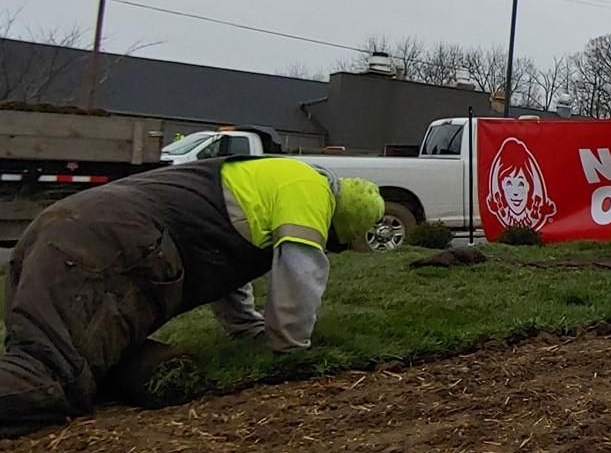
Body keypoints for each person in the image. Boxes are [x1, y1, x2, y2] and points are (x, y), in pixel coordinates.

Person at [0, 157, 384, 438]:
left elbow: (225, 264)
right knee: (51, 378)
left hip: (70, 225)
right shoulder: (309, 190)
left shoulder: (269, 178)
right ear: (338, 223)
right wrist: (292, 347)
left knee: (65, 357)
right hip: (110, 242)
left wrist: (246, 329)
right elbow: (301, 270)